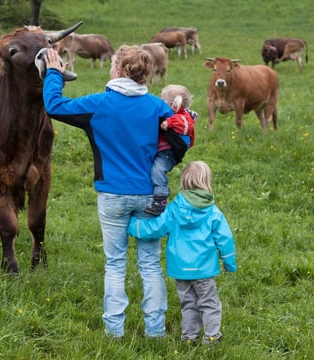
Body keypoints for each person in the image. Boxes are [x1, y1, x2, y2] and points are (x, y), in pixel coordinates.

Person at [43, 45, 173, 338]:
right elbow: (180, 135)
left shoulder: (98, 104)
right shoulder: (157, 107)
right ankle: (156, 330)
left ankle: (115, 332)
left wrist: (54, 73)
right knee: (150, 263)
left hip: (112, 195)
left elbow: (54, 106)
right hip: (150, 196)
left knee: (115, 263)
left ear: (118, 70)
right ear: (146, 74)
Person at [128, 161, 237, 345]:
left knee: (188, 304)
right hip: (204, 270)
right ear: (206, 182)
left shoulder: (174, 209)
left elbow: (156, 227)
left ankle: (189, 338)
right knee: (209, 304)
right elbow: (225, 240)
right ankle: (211, 337)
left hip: (180, 270)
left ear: (184, 182)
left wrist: (133, 225)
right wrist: (229, 263)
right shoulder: (212, 212)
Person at [144, 84, 197, 216]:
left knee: (157, 170)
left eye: (163, 99)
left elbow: (186, 125)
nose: (160, 101)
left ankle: (161, 198)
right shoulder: (169, 113)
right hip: (159, 151)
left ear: (173, 104)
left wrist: (169, 123)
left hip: (168, 153)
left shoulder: (183, 115)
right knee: (151, 170)